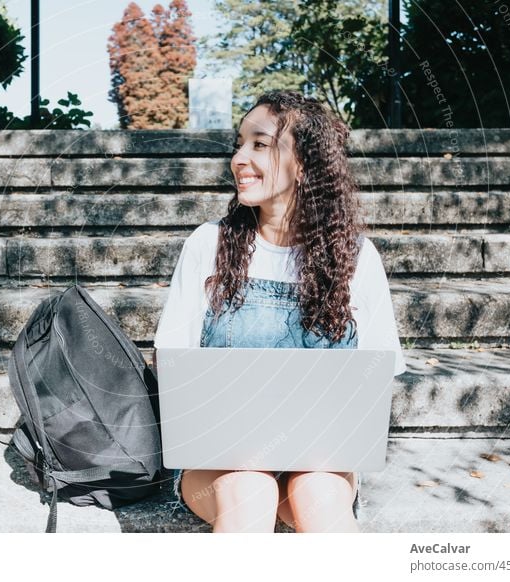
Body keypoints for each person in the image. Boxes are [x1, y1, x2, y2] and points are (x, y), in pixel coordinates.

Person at [153, 90, 407, 533]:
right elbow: (172, 361)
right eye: (239, 143)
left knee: (318, 497)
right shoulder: (207, 244)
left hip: (320, 461)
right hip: (219, 464)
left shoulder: (357, 258)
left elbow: (379, 371)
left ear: (304, 164)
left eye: (260, 144)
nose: (238, 158)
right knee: (249, 489)